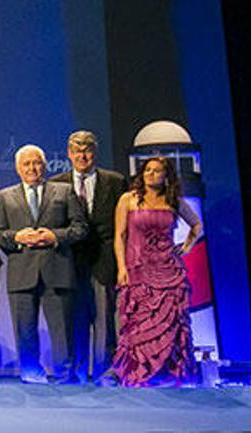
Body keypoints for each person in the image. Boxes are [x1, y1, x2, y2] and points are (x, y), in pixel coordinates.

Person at [0, 145, 88, 383]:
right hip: (22, 272)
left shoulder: (64, 191)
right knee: (24, 329)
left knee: (61, 330)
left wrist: (54, 236)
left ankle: (65, 375)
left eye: (36, 163)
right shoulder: (5, 196)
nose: (32, 168)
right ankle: (31, 374)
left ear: (44, 166)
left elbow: (80, 228)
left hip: (57, 270)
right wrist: (17, 237)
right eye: (26, 164)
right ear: (17, 168)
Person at [112, 157, 202, 387]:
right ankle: (140, 373)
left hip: (169, 271)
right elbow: (120, 236)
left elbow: (196, 225)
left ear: (166, 175)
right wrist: (121, 267)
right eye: (148, 170)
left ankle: (168, 375)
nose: (152, 175)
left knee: (171, 324)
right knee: (140, 325)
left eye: (157, 171)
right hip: (137, 269)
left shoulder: (173, 201)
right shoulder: (128, 200)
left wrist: (187, 246)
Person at [50, 131, 128, 384]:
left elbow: (123, 226)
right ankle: (77, 373)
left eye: (87, 150)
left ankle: (105, 373)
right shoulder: (56, 184)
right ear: (69, 154)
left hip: (103, 260)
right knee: (74, 318)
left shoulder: (115, 182)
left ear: (95, 152)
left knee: (105, 319)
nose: (82, 155)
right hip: (69, 262)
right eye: (77, 150)